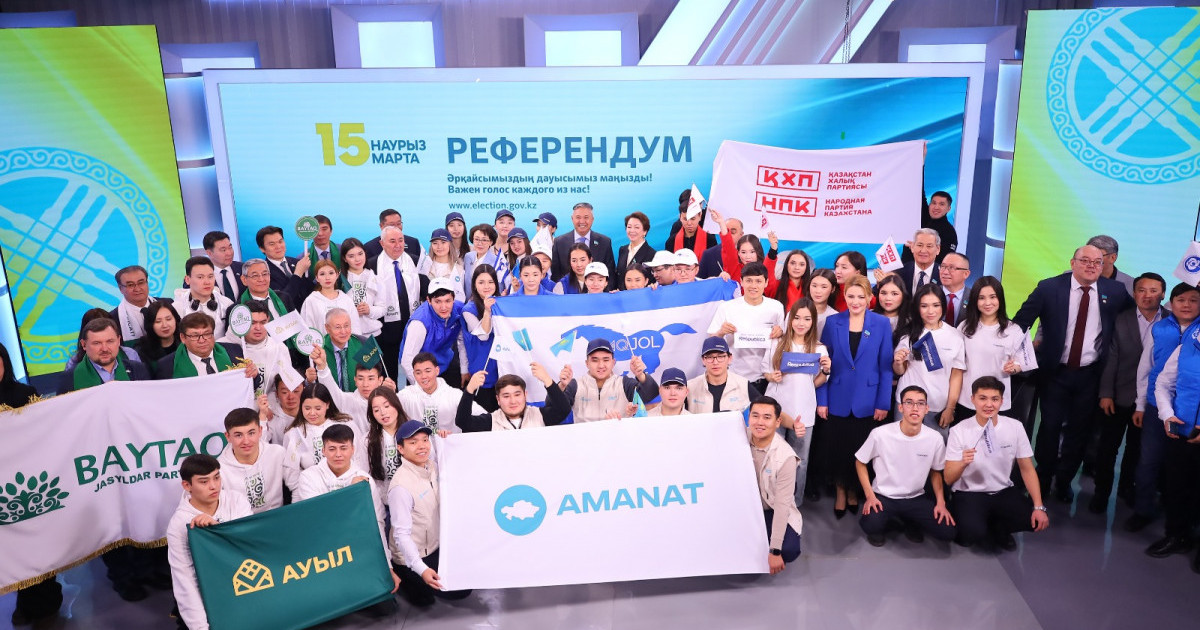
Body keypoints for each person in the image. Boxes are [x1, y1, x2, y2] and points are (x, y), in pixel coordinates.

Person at [1012, 244, 1132, 501]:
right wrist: (1017, 356)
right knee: (1050, 428)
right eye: (1085, 260)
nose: (1091, 266)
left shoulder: (1115, 291)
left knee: (1079, 432)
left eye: (1097, 262)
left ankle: (1064, 481)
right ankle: (1043, 480)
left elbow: (1139, 314)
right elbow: (1020, 323)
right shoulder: (1049, 288)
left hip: (1091, 375)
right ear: (1072, 263)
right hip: (1055, 372)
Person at [1127, 281, 1200, 532]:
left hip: (1189, 414)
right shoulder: (1160, 328)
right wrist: (1140, 404)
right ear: (1171, 302)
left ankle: (1180, 517)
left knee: (1181, 467)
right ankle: (1143, 510)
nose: (1187, 305)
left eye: (1193, 300)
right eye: (1181, 300)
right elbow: (1146, 368)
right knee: (1149, 461)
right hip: (1156, 407)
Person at [818, 275, 893, 518]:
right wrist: (822, 400)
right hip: (837, 395)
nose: (856, 301)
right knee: (839, 448)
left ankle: (854, 491)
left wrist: (883, 402)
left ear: (870, 297)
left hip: (868, 399)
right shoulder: (833, 322)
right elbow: (822, 363)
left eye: (861, 296)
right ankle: (841, 492)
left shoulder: (881, 323)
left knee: (860, 448)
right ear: (844, 296)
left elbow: (885, 367)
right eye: (851, 296)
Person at [944, 377, 1049, 550]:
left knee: (1033, 519)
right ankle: (976, 523)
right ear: (973, 400)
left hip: (1002, 491)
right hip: (970, 493)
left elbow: (1027, 469)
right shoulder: (959, 430)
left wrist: (1039, 506)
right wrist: (962, 463)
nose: (989, 404)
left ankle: (999, 528)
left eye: (994, 399)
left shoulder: (1015, 427)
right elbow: (948, 478)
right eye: (982, 398)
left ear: (1002, 401)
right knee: (972, 533)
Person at [294, 425, 400, 593]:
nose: (338, 454)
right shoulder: (309, 476)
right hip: (323, 552)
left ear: (352, 449)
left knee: (382, 600)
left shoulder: (364, 479)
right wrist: (351, 492)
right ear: (323, 450)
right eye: (332, 449)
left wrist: (387, 565)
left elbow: (376, 523)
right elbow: (319, 518)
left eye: (343, 448)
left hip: (356, 548)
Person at [1094, 272, 1165, 514]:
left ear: (1163, 294)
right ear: (1134, 293)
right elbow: (1110, 359)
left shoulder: (1171, 322)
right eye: (1141, 290)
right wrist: (1106, 393)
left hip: (1152, 401)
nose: (1147, 295)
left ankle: (1127, 489)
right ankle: (1101, 493)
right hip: (1118, 396)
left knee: (1137, 451)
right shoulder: (1121, 318)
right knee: (1107, 448)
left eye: (1153, 291)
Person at [5, 342, 64, 627]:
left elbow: (44, 430)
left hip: (31, 483)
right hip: (4, 492)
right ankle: (24, 601)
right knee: (12, 549)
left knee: (39, 546)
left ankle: (47, 606)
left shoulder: (25, 394)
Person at [856, 385, 956, 546]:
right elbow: (860, 462)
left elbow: (936, 472)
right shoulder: (880, 434)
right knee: (871, 526)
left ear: (927, 409)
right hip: (885, 496)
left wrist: (940, 502)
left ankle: (911, 521)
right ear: (901, 407)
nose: (915, 408)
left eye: (920, 403)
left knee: (947, 532)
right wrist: (870, 496)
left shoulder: (935, 438)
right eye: (909, 402)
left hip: (916, 497)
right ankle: (890, 521)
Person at [387, 420, 472, 607]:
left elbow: (459, 466)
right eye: (413, 442)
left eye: (425, 440)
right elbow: (401, 535)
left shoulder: (432, 466)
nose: (421, 446)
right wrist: (421, 569)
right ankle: (407, 577)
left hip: (435, 544)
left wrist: (449, 442)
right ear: (400, 449)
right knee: (430, 599)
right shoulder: (401, 487)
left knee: (468, 581)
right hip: (413, 554)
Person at [167, 454, 253, 630]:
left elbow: (248, 546)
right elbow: (185, 580)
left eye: (217, 477)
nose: (214, 486)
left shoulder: (237, 500)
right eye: (204, 482)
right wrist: (200, 627)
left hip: (243, 581)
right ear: (187, 486)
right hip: (208, 591)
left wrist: (217, 530)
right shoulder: (178, 524)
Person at [762, 298, 829, 504]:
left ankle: (794, 502)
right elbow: (765, 372)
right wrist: (772, 376)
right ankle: (770, 499)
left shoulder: (819, 349)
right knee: (773, 457)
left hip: (803, 410)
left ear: (813, 321)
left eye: (807, 319)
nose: (801, 323)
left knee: (800, 459)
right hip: (777, 410)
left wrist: (826, 371)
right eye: (797, 317)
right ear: (790, 319)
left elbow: (815, 382)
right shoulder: (776, 343)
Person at [1145, 318, 1200, 570]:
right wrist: (1167, 414)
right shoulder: (1188, 341)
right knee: (1176, 486)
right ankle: (1178, 536)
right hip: (1181, 431)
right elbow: (1163, 382)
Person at [955, 276, 1036, 421]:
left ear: (1000, 299)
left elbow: (1023, 362)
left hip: (996, 403)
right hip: (967, 400)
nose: (987, 303)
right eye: (981, 298)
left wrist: (1014, 368)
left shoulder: (1014, 330)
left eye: (993, 297)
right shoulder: (964, 327)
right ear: (975, 301)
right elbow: (956, 366)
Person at [893, 284, 966, 438]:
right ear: (917, 308)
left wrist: (950, 408)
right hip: (907, 405)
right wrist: (898, 362)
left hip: (937, 407)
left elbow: (956, 375)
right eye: (924, 306)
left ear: (943, 306)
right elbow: (900, 370)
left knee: (935, 450)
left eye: (936, 305)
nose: (930, 311)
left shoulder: (955, 336)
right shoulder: (908, 332)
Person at [746, 397, 803, 573]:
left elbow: (782, 504)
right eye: (755, 416)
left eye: (767, 417)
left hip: (769, 509)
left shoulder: (786, 457)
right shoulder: (738, 439)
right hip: (743, 508)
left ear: (778, 422)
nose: (760, 422)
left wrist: (775, 550)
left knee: (789, 549)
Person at [708, 262, 785, 387]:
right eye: (749, 280)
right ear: (741, 281)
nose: (753, 286)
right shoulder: (727, 307)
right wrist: (721, 332)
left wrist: (780, 333)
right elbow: (711, 341)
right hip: (734, 377)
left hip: (766, 378)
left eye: (758, 281)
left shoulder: (776, 307)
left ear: (766, 283)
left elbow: (782, 341)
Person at [369, 224, 429, 381]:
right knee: (389, 373)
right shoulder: (372, 265)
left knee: (415, 368)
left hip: (413, 324)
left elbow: (426, 292)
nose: (398, 245)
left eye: (401, 240)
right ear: (382, 243)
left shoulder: (415, 261)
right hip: (386, 328)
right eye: (392, 241)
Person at [560, 338, 659, 422]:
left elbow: (651, 395)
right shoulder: (575, 385)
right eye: (595, 360)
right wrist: (562, 386)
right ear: (587, 363)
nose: (601, 365)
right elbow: (556, 411)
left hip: (619, 437)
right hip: (584, 438)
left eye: (606, 360)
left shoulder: (624, 383)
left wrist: (640, 375)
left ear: (613, 362)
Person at [217, 407, 296, 512]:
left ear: (260, 431)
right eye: (238, 435)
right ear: (228, 437)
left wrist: (296, 513)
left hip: (278, 516)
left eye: (251, 433)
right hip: (242, 521)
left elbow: (297, 486)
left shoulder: (278, 453)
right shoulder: (218, 469)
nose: (246, 441)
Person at [282, 382, 366, 475]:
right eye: (307, 408)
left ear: (327, 405)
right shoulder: (294, 433)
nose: (312, 413)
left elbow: (360, 459)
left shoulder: (347, 424)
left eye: (318, 408)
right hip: (312, 483)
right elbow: (291, 472)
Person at [226, 301, 303, 401]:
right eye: (252, 323)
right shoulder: (225, 347)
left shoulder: (279, 348)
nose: (258, 328)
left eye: (263, 322)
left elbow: (284, 384)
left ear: (268, 320)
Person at [457, 364, 571, 431]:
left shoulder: (539, 415)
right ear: (498, 400)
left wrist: (547, 380)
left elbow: (564, 410)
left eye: (517, 395)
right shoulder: (491, 421)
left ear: (525, 395)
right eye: (506, 396)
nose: (513, 401)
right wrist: (470, 390)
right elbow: (463, 422)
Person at [400, 278, 467, 385]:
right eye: (438, 301)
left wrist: (464, 370)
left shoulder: (459, 311)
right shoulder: (419, 323)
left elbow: (462, 341)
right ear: (429, 300)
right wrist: (421, 386)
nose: (443, 307)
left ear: (454, 299)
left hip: (445, 361)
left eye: (448, 301)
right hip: (421, 371)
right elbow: (407, 360)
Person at [59, 318, 152, 393]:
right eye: (97, 343)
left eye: (110, 341)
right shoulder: (69, 379)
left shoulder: (138, 369)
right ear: (84, 345)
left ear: (118, 341)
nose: (104, 349)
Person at [398, 352, 483, 432]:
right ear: (413, 374)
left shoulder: (454, 395)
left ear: (437, 371)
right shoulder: (406, 395)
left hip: (450, 442)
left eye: (428, 371)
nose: (423, 376)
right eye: (418, 373)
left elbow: (483, 415)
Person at [154, 313, 250, 381]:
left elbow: (250, 385)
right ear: (183, 338)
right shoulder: (167, 366)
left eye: (207, 334)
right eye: (195, 336)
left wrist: (253, 375)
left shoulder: (233, 351)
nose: (202, 340)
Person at [708, 208, 778, 292]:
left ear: (758, 252)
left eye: (752, 252)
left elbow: (769, 271)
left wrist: (773, 248)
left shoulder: (763, 270)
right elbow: (728, 247)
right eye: (743, 252)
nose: (748, 256)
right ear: (738, 253)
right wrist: (721, 223)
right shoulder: (734, 269)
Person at [688, 336, 762, 415]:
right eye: (710, 357)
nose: (715, 362)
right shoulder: (690, 387)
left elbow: (764, 409)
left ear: (729, 358)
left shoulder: (743, 385)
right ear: (703, 360)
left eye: (720, 356)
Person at [461, 264, 500, 410]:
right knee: (485, 414)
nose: (486, 286)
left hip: (501, 368)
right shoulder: (468, 310)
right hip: (483, 370)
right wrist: (487, 312)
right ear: (474, 285)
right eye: (481, 282)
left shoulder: (501, 303)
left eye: (490, 282)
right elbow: (483, 336)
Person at [551, 202, 616, 283]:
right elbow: (556, 275)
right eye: (578, 217)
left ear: (592, 219)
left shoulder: (604, 242)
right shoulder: (559, 242)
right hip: (568, 290)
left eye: (586, 217)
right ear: (572, 219)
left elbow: (611, 274)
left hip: (597, 290)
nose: (582, 221)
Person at [174, 256, 235, 339]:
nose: (207, 282)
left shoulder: (227, 304)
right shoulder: (177, 308)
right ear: (187, 279)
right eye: (200, 277)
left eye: (210, 276)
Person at [256, 225, 312, 305]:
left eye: (280, 241)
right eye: (272, 244)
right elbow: (280, 302)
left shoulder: (297, 262)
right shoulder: (263, 273)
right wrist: (297, 274)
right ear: (262, 248)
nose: (278, 247)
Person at [340, 237, 385, 337]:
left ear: (365, 253)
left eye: (360, 254)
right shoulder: (339, 280)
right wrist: (352, 312)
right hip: (347, 335)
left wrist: (369, 310)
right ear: (344, 259)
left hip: (373, 335)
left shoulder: (375, 278)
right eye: (351, 256)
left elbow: (383, 309)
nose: (357, 259)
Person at [300, 259, 361, 334]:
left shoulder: (346, 299)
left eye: (331, 273)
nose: (327, 278)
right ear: (317, 278)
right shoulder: (311, 301)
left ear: (337, 275)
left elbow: (355, 327)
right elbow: (307, 329)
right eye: (322, 274)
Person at [901, 190, 958, 265]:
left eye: (941, 204)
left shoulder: (949, 232)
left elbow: (945, 261)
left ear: (948, 208)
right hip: (904, 269)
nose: (936, 207)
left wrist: (918, 248)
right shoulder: (921, 218)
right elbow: (919, 192)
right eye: (933, 203)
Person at [365, 387, 409, 484]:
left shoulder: (413, 432)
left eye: (386, 406)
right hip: (382, 491)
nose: (383, 413)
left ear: (396, 405)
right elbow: (364, 474)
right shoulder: (367, 440)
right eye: (376, 410)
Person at [109, 265, 161, 343]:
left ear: (147, 282)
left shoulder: (168, 304)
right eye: (130, 285)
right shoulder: (112, 319)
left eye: (141, 283)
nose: (137, 289)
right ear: (120, 288)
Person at [418, 228, 467, 302]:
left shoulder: (458, 269)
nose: (439, 247)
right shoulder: (424, 266)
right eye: (435, 243)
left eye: (443, 242)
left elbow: (460, 296)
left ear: (450, 244)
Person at [888, 228, 941, 295]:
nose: (923, 250)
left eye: (929, 246)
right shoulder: (898, 273)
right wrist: (883, 282)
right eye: (919, 245)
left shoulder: (943, 275)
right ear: (912, 247)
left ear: (938, 249)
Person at [135, 301, 182, 374]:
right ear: (150, 324)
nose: (165, 325)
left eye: (168, 319)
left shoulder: (186, 342)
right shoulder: (141, 350)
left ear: (176, 319)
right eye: (158, 321)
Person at [617, 211, 656, 290]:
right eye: (629, 227)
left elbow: (652, 281)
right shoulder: (623, 250)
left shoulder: (652, 254)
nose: (632, 230)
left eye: (636, 227)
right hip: (622, 295)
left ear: (645, 231)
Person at [202, 231, 244, 301]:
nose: (229, 253)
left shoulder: (243, 268)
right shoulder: (198, 276)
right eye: (223, 250)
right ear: (209, 253)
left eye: (230, 247)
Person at [463, 224, 498, 299]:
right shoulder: (468, 257)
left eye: (484, 240)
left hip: (487, 301)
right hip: (468, 301)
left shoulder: (496, 261)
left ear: (491, 242)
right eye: (477, 239)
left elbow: (498, 287)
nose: (480, 243)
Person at [938, 252, 971, 327]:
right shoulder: (930, 294)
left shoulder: (974, 298)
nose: (945, 272)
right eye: (943, 266)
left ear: (966, 274)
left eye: (951, 268)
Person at [807, 269, 840, 339]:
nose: (818, 291)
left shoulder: (835, 317)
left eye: (824, 287)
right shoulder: (796, 311)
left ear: (833, 289)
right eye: (814, 286)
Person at [498, 227, 531, 295]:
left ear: (526, 241)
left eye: (519, 241)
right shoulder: (515, 263)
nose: (516, 246)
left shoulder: (531, 263)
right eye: (512, 243)